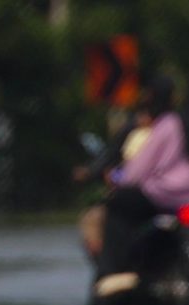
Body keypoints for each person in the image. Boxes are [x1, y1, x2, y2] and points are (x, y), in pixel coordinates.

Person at [94, 74, 189, 297]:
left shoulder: (170, 124)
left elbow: (139, 169)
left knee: (118, 206)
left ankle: (110, 271)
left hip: (164, 198)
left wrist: (120, 179)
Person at [74, 76, 175, 261]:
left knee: (96, 219)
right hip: (178, 198)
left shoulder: (159, 129)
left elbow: (134, 170)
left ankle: (107, 268)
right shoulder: (182, 125)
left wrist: (111, 176)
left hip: (145, 197)